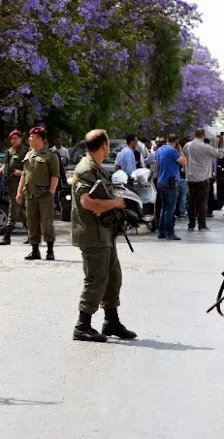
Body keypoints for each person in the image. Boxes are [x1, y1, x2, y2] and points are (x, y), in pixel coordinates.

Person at [70, 129, 137, 342]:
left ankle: (111, 321)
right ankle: (82, 326)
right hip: (92, 234)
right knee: (96, 279)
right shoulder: (85, 169)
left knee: (113, 277)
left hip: (104, 232)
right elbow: (87, 202)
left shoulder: (96, 168)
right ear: (104, 146)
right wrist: (116, 203)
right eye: (107, 144)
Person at [16, 126, 60, 260]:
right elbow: (24, 174)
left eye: (32, 137)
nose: (29, 139)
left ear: (40, 138)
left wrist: (51, 192)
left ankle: (50, 251)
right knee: (32, 222)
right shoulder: (29, 154)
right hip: (30, 194)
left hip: (44, 194)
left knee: (47, 222)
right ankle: (35, 250)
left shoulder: (51, 155)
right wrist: (19, 192)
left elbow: (55, 176)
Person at [184, 128, 224, 231]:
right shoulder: (205, 147)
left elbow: (184, 157)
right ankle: (202, 225)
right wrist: (222, 143)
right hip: (202, 179)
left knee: (191, 203)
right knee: (202, 203)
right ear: (203, 135)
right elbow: (220, 155)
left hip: (190, 178)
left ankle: (191, 224)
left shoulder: (187, 146)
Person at [155, 133, 187, 240]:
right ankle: (170, 232)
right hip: (171, 183)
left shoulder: (160, 150)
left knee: (164, 207)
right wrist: (181, 150)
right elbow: (184, 162)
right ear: (176, 141)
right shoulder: (173, 151)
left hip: (161, 181)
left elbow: (157, 165)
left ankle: (161, 231)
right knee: (170, 209)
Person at [0, 130, 28, 245]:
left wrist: (21, 172)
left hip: (19, 185)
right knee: (19, 211)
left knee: (13, 208)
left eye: (15, 138)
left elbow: (30, 168)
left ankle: (7, 236)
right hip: (10, 184)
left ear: (21, 139)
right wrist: (2, 169)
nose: (13, 140)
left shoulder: (24, 152)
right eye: (11, 139)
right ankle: (32, 232)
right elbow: (6, 165)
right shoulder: (9, 151)